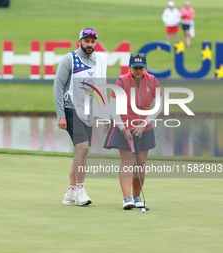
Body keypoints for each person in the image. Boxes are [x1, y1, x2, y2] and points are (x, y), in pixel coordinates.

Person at [53, 28, 108, 206]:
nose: (90, 44)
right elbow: (58, 86)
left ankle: (70, 192)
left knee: (79, 151)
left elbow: (100, 87)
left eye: (93, 41)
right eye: (87, 41)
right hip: (71, 109)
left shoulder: (99, 61)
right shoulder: (70, 59)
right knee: (83, 148)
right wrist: (61, 115)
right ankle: (80, 190)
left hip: (88, 112)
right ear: (80, 42)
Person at [103, 53, 163, 210]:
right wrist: (123, 129)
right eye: (135, 68)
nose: (138, 71)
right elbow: (113, 107)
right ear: (130, 67)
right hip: (124, 125)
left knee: (141, 163)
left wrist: (145, 122)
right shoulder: (122, 81)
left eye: (141, 67)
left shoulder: (153, 80)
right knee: (128, 160)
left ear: (145, 67)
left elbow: (158, 106)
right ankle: (126, 197)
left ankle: (137, 196)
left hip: (144, 128)